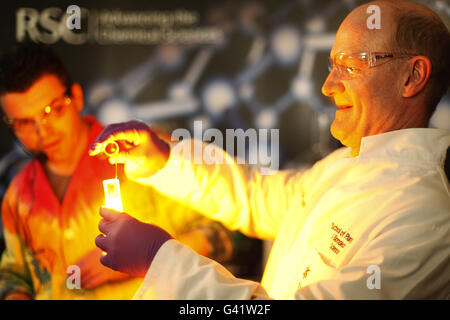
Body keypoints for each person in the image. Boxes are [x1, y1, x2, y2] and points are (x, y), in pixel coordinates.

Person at [90, 0, 450, 300]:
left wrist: (159, 259)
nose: (328, 86)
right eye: (331, 65)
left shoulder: (426, 217)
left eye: (350, 66)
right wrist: (164, 161)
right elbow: (256, 196)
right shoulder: (344, 165)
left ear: (412, 76)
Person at [0, 44, 233, 300]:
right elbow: (14, 276)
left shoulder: (143, 154)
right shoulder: (18, 194)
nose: (42, 131)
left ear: (76, 97)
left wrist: (147, 256)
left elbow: (224, 231)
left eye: (52, 110)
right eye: (24, 122)